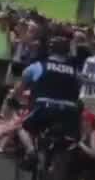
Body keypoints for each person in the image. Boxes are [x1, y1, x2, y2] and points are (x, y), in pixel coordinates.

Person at [11, 36, 83, 167]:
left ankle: (31, 151)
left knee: (22, 127)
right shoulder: (75, 71)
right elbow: (80, 87)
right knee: (68, 139)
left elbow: (21, 86)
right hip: (69, 111)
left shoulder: (39, 66)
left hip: (44, 107)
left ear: (50, 50)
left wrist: (13, 99)